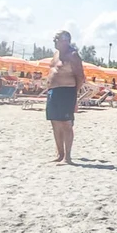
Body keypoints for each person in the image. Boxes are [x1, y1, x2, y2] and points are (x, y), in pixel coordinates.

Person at [45, 31, 85, 164]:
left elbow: (80, 77)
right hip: (53, 91)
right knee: (55, 122)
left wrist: (74, 95)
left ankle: (67, 157)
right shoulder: (56, 55)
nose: (64, 42)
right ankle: (59, 154)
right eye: (61, 40)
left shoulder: (73, 55)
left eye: (66, 40)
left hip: (67, 91)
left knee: (66, 124)